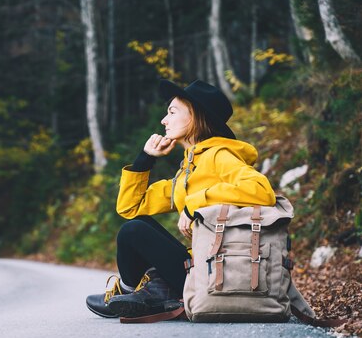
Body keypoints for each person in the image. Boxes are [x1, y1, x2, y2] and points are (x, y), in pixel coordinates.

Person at [86, 79, 276, 319]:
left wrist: (193, 205)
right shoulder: (187, 170)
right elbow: (130, 207)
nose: (164, 120)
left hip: (217, 269)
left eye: (172, 112)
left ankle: (136, 292)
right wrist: (145, 159)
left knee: (134, 230)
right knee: (137, 226)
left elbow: (261, 190)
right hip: (198, 264)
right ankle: (147, 292)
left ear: (195, 117)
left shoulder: (220, 155)